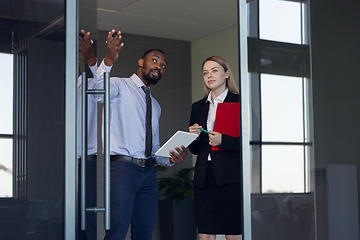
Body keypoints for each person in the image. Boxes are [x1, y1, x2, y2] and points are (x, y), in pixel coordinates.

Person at [85, 29, 188, 240]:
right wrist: (108, 62)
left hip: (148, 174)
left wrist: (169, 157)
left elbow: (153, 148)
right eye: (154, 60)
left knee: (144, 232)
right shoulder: (120, 85)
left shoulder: (156, 105)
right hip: (122, 170)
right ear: (141, 62)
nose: (159, 66)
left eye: (163, 65)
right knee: (117, 230)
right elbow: (97, 92)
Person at [188, 56, 242, 240]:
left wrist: (223, 140)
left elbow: (253, 142)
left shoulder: (240, 102)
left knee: (233, 233)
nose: (209, 75)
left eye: (214, 70)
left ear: (227, 73)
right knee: (205, 233)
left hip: (231, 177)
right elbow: (196, 150)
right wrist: (193, 137)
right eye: (205, 72)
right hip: (204, 177)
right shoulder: (198, 107)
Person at [77, 29, 98, 240]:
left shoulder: (90, 86)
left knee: (86, 219)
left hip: (86, 162)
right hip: (61, 165)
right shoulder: (53, 92)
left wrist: (92, 60)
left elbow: (103, 81)